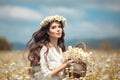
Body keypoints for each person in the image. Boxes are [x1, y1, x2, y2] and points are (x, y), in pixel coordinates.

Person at [27, 15, 75, 80]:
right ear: (48, 32)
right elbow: (45, 76)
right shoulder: (45, 49)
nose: (58, 29)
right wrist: (65, 65)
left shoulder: (60, 49)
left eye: (59, 27)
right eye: (53, 27)